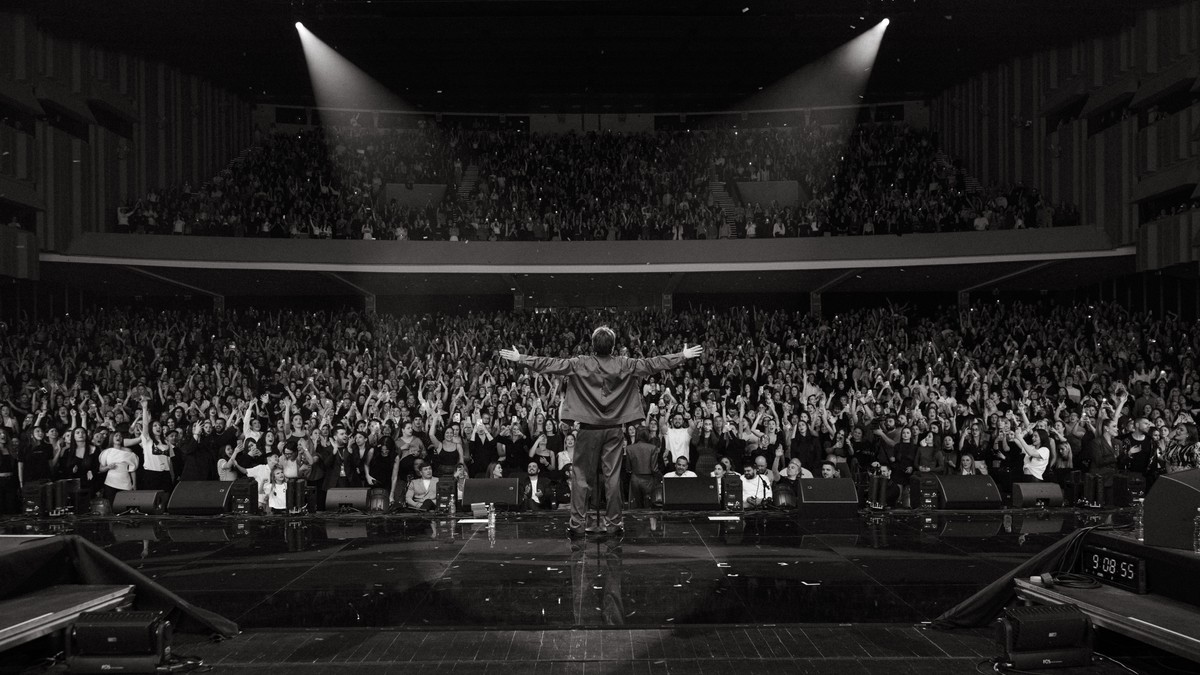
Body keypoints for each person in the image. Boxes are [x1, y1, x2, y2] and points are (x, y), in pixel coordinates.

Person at [500, 327, 703, 537]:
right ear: (613, 347)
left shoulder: (581, 363)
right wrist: (682, 356)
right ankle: (614, 524)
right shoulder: (624, 363)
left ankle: (577, 524)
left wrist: (520, 358)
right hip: (614, 429)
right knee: (612, 478)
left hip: (588, 429)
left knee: (580, 477)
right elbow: (653, 363)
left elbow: (550, 364)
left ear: (592, 345)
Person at [624, 425, 660, 509]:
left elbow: (628, 468)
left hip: (635, 478)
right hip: (648, 479)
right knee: (648, 505)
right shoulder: (652, 448)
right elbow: (654, 468)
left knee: (636, 505)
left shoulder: (629, 448)